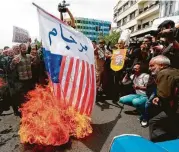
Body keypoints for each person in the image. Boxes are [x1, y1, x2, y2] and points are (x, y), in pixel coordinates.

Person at [148, 55, 179, 142]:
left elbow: (164, 95)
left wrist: (158, 98)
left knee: (153, 122)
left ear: (162, 65)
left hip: (175, 109)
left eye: (152, 65)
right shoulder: (175, 71)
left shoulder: (163, 73)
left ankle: (155, 145)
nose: (149, 68)